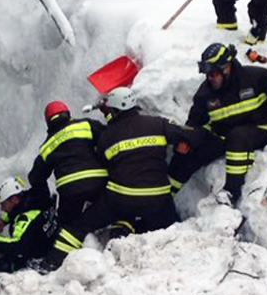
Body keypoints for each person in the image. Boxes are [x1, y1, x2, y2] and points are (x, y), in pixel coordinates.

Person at [44, 87, 185, 266]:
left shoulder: (105, 138)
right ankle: (124, 231)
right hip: (157, 199)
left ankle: (51, 262)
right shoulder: (157, 124)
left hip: (109, 197)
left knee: (78, 225)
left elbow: (106, 149)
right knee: (167, 227)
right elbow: (185, 134)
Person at [167, 43, 267, 206]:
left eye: (214, 74)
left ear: (227, 67)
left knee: (237, 136)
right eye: (207, 75)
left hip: (258, 131)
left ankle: (231, 192)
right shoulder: (205, 93)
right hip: (224, 136)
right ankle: (163, 196)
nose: (211, 78)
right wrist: (186, 141)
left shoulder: (255, 77)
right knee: (186, 152)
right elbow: (195, 122)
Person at [26, 101, 107, 226]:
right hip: (98, 182)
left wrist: (45, 200)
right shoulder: (86, 125)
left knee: (67, 228)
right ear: (67, 114)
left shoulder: (47, 146)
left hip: (70, 190)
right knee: (113, 210)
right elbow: (109, 138)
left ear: (48, 122)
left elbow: (35, 177)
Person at [0, 177, 56, 275]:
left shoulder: (25, 218)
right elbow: (20, 209)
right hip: (47, 245)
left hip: (40, 257)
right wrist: (5, 220)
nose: (2, 209)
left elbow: (16, 246)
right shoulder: (36, 200)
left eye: (3, 204)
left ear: (14, 199)